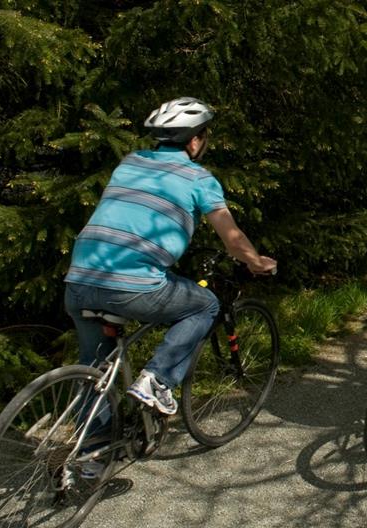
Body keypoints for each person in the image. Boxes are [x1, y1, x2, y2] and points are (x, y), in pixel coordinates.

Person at [64, 97, 277, 418]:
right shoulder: (198, 179)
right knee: (205, 305)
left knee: (94, 370)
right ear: (195, 141)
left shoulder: (130, 162)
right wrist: (256, 262)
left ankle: (92, 454)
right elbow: (233, 240)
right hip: (134, 286)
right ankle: (158, 380)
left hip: (79, 281)